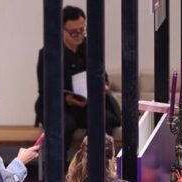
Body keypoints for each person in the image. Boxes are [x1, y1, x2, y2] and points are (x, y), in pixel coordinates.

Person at [34, 5, 121, 163]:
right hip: (62, 107)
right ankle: (59, 171)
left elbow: (103, 75)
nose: (79, 36)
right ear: (62, 30)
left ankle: (94, 167)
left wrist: (104, 86)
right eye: (74, 32)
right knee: (62, 125)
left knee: (102, 119)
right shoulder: (49, 53)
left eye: (82, 30)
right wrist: (66, 98)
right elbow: (45, 90)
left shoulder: (91, 47)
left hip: (88, 105)